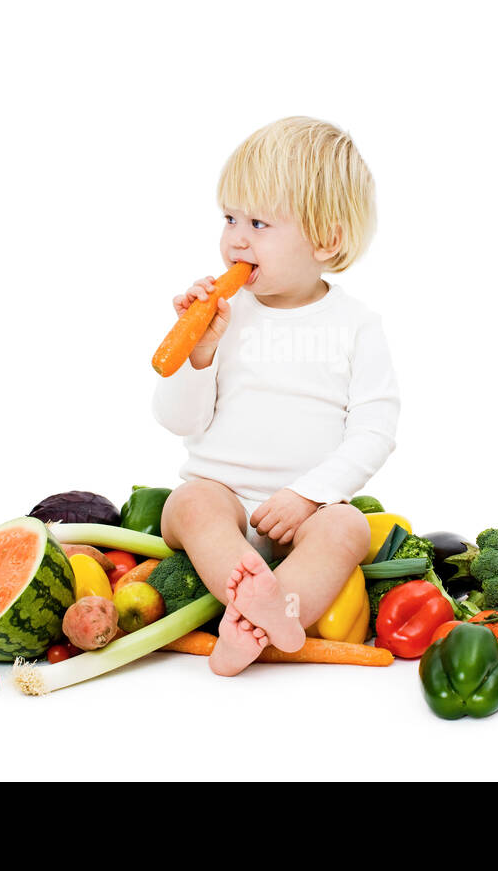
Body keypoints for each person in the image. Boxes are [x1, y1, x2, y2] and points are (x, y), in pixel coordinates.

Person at [151, 115, 401, 676]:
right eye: (230, 217)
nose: (236, 238)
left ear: (327, 239)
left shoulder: (356, 325)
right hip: (222, 501)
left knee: (349, 527)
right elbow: (177, 421)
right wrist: (199, 353)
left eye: (260, 222)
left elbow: (374, 432)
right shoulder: (224, 315)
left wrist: (311, 495)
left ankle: (264, 617)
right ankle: (260, 608)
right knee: (189, 503)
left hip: (305, 515)